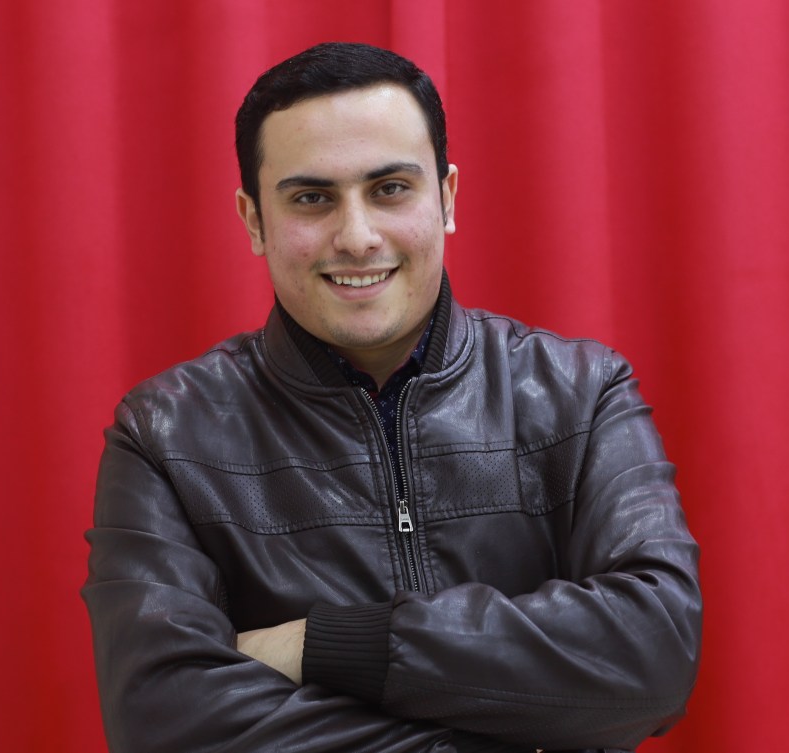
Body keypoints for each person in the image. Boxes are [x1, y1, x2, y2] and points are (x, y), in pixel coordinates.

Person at [82, 42, 701, 753]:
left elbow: (655, 653)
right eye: (312, 198)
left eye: (390, 189)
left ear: (448, 198)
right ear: (254, 220)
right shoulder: (164, 433)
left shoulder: (583, 395)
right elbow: (161, 720)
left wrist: (327, 645)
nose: (357, 236)